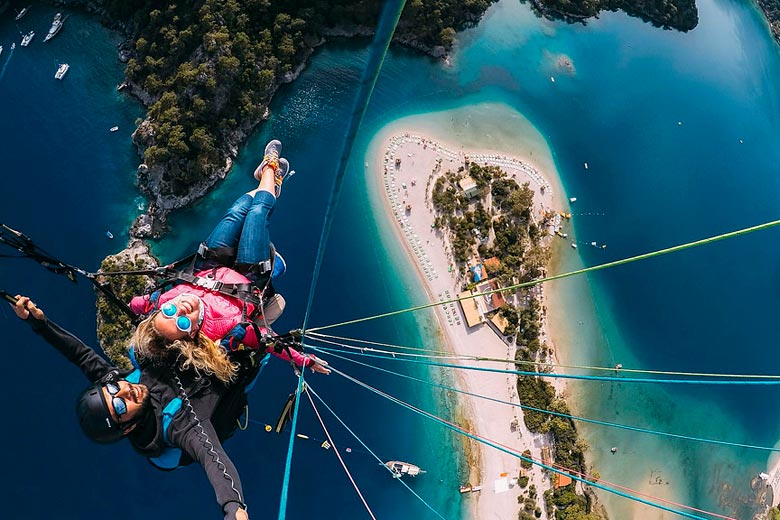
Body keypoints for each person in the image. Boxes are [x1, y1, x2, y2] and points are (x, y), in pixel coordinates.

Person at [128, 139, 329, 380]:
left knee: (237, 210)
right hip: (247, 278)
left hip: (209, 265)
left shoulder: (157, 301)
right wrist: (305, 361)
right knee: (257, 213)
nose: (179, 309)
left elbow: (134, 304)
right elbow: (269, 342)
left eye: (169, 311)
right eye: (182, 323)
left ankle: (271, 181)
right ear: (193, 334)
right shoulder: (223, 331)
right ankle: (269, 167)